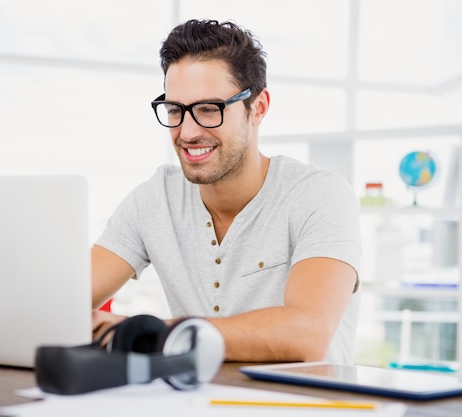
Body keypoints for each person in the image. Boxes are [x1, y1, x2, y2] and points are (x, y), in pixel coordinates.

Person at [91, 19, 361, 364]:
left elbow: (307, 334)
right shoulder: (154, 199)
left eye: (208, 109)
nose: (187, 132)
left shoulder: (320, 195)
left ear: (258, 108)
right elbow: (64, 302)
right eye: (175, 110)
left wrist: (155, 333)